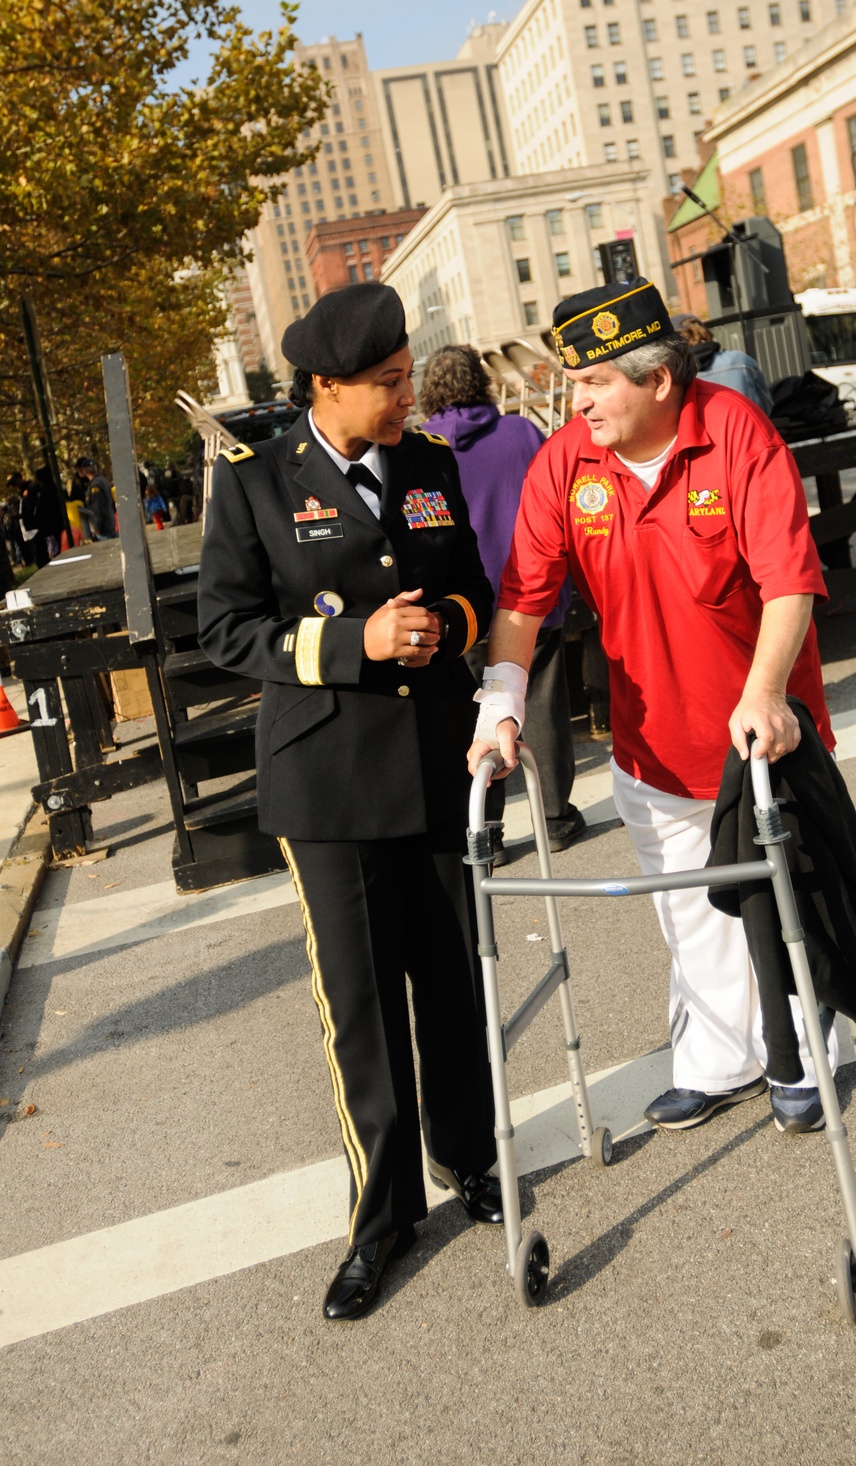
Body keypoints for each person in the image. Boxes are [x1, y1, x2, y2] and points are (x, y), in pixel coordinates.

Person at [469, 276, 837, 1136]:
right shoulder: (567, 461)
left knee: (790, 899)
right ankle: (718, 1061)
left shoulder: (738, 435)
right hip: (652, 743)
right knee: (687, 907)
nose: (578, 401)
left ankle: (803, 1049)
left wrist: (767, 691)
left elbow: (790, 582)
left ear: (660, 382)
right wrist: (502, 702)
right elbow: (524, 599)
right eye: (574, 384)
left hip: (762, 735)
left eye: (595, 383)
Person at [198, 284, 500, 1323]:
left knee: (454, 986)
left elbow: (475, 586)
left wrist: (447, 630)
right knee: (361, 1014)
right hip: (327, 786)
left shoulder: (429, 466)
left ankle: (472, 1159)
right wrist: (351, 644)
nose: (406, 394)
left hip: (435, 761)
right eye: (386, 383)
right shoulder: (252, 484)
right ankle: (381, 1220)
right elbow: (225, 631)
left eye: (408, 374)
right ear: (325, 389)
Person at [420, 344, 584, 858]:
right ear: (482, 382)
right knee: (542, 703)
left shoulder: (421, 446)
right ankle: (554, 817)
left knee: (473, 718)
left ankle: (485, 833)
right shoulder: (520, 433)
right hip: (531, 593)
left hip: (462, 605)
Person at [675, 316, 774, 415]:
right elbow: (767, 406)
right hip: (749, 426)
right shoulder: (739, 360)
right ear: (706, 333)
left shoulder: (677, 377)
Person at [75, 457, 117, 540]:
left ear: (84, 471)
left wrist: (96, 527)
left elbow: (97, 507)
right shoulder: (102, 480)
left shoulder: (95, 485)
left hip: (103, 528)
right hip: (109, 523)